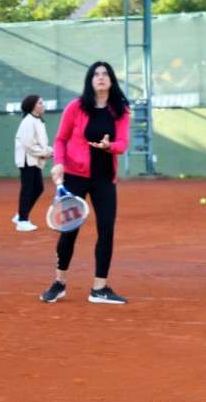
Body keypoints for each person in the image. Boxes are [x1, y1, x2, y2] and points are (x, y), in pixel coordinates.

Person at [40, 62, 130, 305]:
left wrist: (108, 146)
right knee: (68, 231)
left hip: (104, 180)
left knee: (106, 230)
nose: (100, 78)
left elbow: (122, 144)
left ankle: (99, 288)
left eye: (105, 74)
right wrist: (58, 163)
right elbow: (60, 140)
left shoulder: (120, 110)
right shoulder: (76, 107)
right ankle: (59, 283)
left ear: (111, 80)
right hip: (74, 178)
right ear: (90, 81)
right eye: (96, 74)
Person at [12, 94, 52, 231]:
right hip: (26, 160)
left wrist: (49, 151)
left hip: (34, 159)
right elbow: (28, 145)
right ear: (32, 106)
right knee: (27, 189)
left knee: (38, 188)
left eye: (43, 103)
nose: (43, 105)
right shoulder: (28, 121)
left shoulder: (39, 121)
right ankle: (22, 221)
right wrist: (45, 153)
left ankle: (21, 215)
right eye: (40, 103)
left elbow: (40, 143)